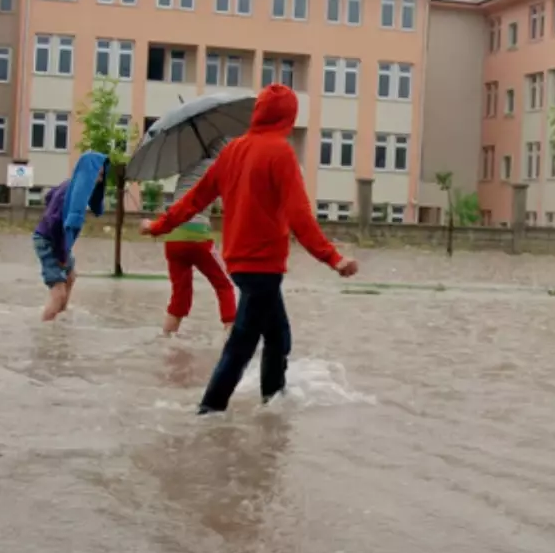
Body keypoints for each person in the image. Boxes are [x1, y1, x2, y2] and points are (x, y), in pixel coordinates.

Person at [140, 83, 358, 414]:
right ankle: (209, 413)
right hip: (263, 266)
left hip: (241, 264)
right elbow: (299, 215)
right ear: (289, 117)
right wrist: (333, 258)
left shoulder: (231, 152)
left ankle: (272, 405)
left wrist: (158, 227)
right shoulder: (280, 152)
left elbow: (194, 200)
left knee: (278, 338)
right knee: (242, 345)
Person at [158, 138, 237, 336]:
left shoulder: (187, 170)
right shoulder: (218, 167)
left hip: (173, 238)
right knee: (224, 285)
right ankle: (232, 340)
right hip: (197, 238)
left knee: (180, 296)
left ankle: (166, 340)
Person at [33, 150, 108, 321]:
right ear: (88, 172)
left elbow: (49, 196)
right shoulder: (68, 192)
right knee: (58, 292)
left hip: (55, 240)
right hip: (49, 240)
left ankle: (60, 319)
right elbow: (54, 224)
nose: (101, 180)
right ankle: (46, 330)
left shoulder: (71, 186)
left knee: (71, 276)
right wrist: (61, 255)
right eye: (99, 174)